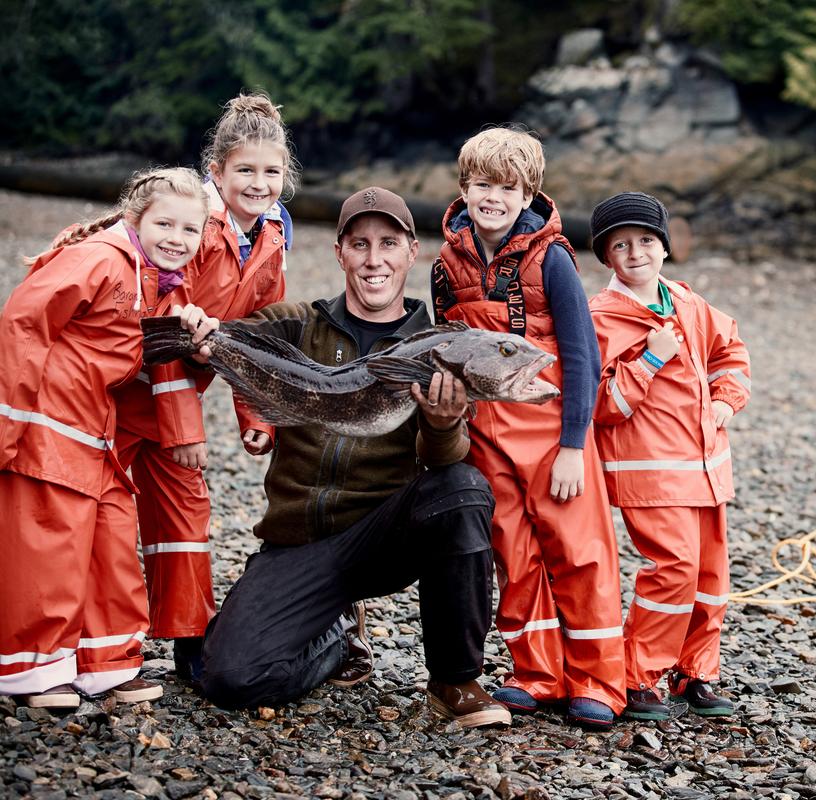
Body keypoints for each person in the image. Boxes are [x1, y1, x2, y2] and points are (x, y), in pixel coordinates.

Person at [193, 187, 511, 729]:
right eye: (359, 244)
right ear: (339, 252)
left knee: (462, 487)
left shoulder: (442, 345)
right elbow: (220, 316)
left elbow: (446, 460)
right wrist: (202, 332)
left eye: (388, 243)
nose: (373, 259)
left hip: (383, 535)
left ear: (412, 252)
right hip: (297, 543)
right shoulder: (297, 324)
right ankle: (338, 638)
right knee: (229, 678)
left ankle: (455, 681)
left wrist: (442, 423)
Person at [0, 168, 218, 709]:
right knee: (53, 541)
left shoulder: (160, 281)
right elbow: (23, 323)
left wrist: (192, 329)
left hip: (98, 426)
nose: (176, 238)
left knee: (112, 534)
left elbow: (165, 344)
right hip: (50, 420)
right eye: (164, 223)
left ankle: (106, 662)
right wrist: (9, 424)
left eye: (189, 231)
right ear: (133, 219)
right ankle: (30, 669)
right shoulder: (99, 259)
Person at [431, 126, 625, 727]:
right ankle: (537, 673)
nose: (493, 197)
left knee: (579, 552)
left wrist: (573, 444)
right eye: (482, 184)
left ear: (528, 193)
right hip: (486, 435)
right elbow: (447, 348)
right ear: (464, 188)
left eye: (507, 187)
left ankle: (598, 680)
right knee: (513, 555)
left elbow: (583, 357)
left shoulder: (555, 259)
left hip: (551, 436)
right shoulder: (445, 262)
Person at [111, 92, 297, 684]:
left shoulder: (271, 239)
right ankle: (102, 646)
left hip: (179, 393)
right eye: (245, 170)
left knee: (186, 515)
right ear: (216, 171)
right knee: (105, 516)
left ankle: (189, 640)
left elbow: (252, 341)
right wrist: (186, 427)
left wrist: (258, 418)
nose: (258, 182)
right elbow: (163, 325)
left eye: (271, 172)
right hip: (120, 389)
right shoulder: (191, 227)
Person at [587, 192, 751, 720]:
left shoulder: (688, 302)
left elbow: (731, 351)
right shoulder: (599, 318)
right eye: (621, 245)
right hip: (650, 473)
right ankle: (639, 676)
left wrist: (726, 399)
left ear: (664, 248)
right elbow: (600, 404)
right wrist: (652, 358)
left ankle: (695, 672)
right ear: (607, 257)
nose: (636, 253)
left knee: (711, 575)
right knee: (673, 571)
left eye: (647, 241)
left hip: (707, 468)